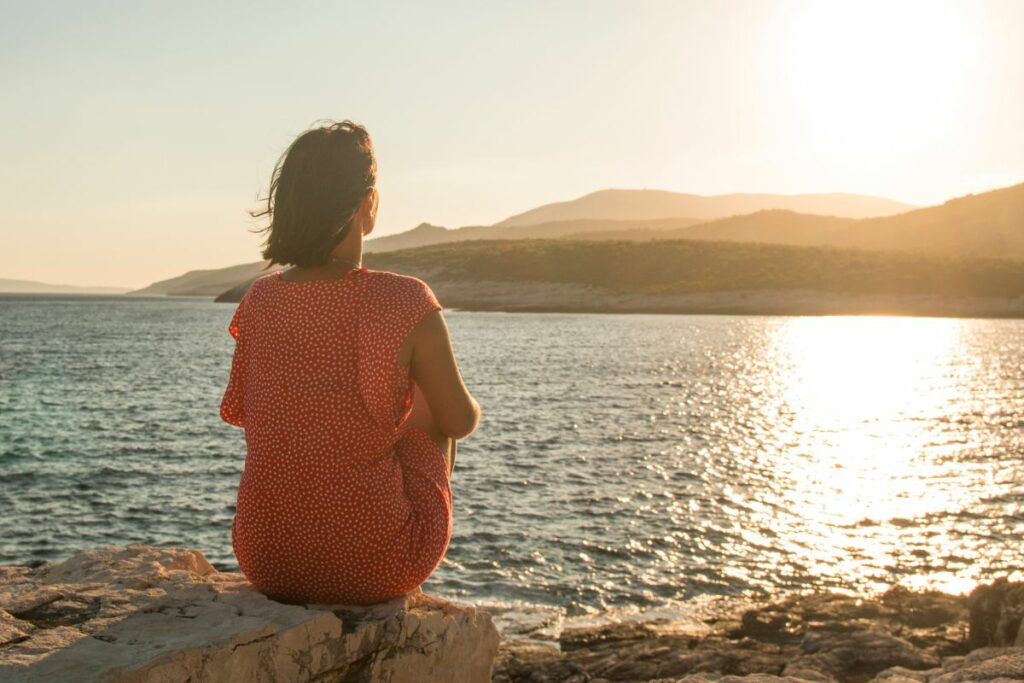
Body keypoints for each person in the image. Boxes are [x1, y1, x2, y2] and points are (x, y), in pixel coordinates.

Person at [219, 119, 481, 606]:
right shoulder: (404, 299)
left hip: (266, 561)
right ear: (369, 205)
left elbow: (249, 414)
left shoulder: (259, 298)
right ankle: (404, 572)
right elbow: (458, 421)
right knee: (428, 409)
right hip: (377, 565)